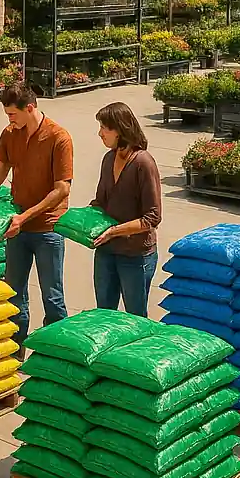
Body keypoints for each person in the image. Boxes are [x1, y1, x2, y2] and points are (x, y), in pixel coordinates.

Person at [0, 82, 73, 350]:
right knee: (14, 293)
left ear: (30, 108)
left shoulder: (58, 137)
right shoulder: (10, 134)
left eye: (12, 114)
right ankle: (14, 351)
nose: (9, 120)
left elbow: (62, 189)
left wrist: (26, 216)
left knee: (52, 296)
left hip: (47, 229)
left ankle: (55, 355)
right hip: (17, 227)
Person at [90, 101, 162, 317]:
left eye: (104, 128)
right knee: (104, 315)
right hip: (107, 252)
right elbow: (100, 202)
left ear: (120, 130)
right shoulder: (108, 159)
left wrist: (114, 231)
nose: (100, 133)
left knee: (135, 317)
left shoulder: (143, 163)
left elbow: (152, 217)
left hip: (135, 255)